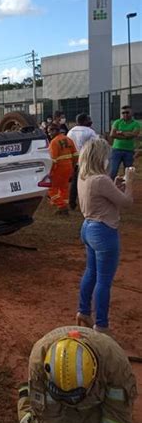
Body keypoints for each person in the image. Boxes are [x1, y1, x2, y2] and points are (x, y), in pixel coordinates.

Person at [76, 137, 135, 332]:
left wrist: (116, 186)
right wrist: (130, 182)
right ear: (100, 157)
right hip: (103, 231)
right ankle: (101, 325)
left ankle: (83, 311)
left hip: (88, 227)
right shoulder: (100, 179)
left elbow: (106, 199)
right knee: (104, 281)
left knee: (91, 273)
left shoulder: (84, 177)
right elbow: (126, 202)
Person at [67, 113, 98, 210]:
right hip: (87, 160)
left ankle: (72, 202)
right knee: (88, 182)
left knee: (75, 182)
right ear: (85, 121)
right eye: (88, 119)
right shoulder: (90, 131)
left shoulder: (70, 132)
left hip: (75, 160)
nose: (90, 121)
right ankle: (87, 203)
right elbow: (96, 146)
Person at [47, 123, 78, 214]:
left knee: (51, 188)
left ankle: (62, 206)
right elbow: (76, 155)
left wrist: (50, 171)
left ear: (54, 130)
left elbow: (53, 160)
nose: (49, 134)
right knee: (63, 188)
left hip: (59, 168)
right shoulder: (68, 139)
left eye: (50, 132)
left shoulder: (54, 142)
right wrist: (72, 166)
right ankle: (64, 205)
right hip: (68, 166)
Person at [109, 106, 140, 180]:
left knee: (128, 172)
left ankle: (127, 188)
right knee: (113, 170)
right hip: (116, 150)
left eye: (127, 112)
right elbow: (112, 134)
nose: (125, 114)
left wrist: (121, 132)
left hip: (129, 150)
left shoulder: (136, 123)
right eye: (123, 113)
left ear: (131, 113)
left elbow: (134, 134)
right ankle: (110, 187)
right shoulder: (117, 122)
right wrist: (127, 136)